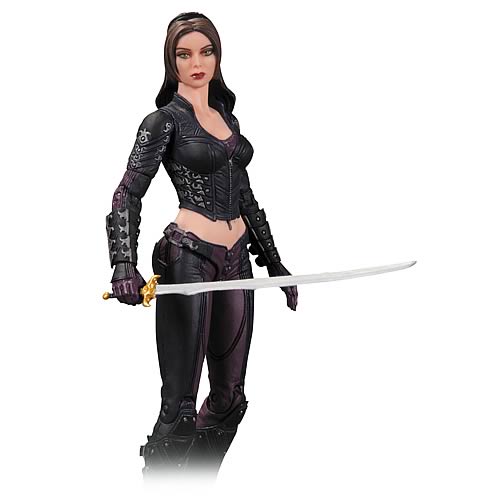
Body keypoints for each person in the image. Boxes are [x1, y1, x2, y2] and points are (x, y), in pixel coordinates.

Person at [105, 12, 298, 476]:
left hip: (236, 261)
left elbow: (245, 197)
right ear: (170, 61)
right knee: (180, 410)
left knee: (230, 400)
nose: (197, 63)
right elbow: (127, 193)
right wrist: (124, 264)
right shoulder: (162, 121)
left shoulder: (228, 118)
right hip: (187, 258)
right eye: (184, 54)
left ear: (217, 56)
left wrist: (275, 264)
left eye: (206, 51)